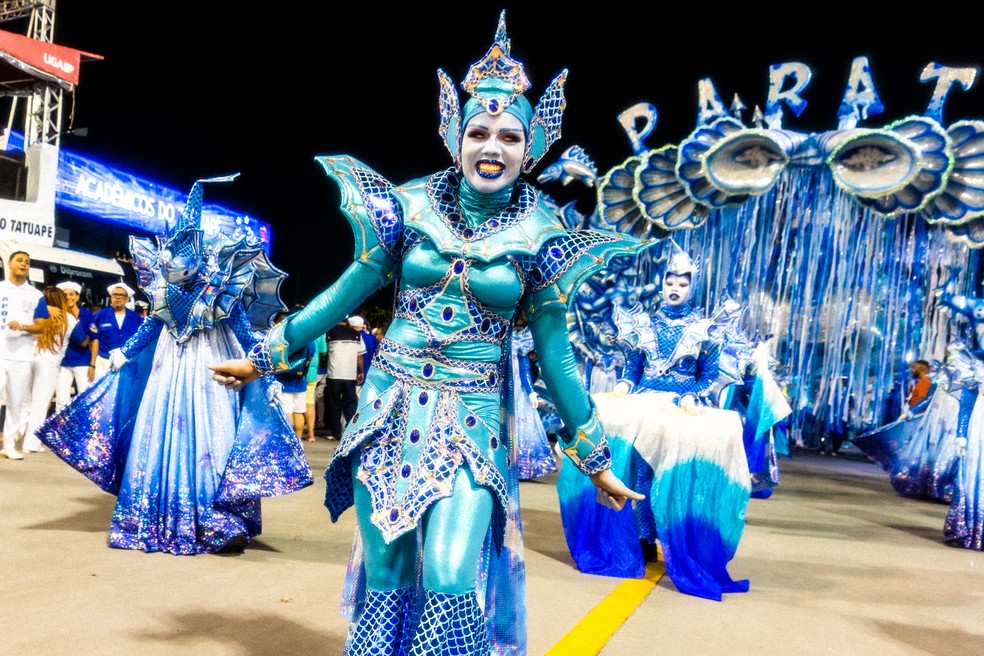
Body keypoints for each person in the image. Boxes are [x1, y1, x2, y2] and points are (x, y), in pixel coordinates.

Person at [210, 12, 647, 653]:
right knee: (385, 574)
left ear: (531, 150)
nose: (491, 147)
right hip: (388, 409)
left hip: (473, 418)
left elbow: (557, 359)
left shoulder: (547, 237)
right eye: (478, 131)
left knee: (448, 576)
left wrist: (594, 454)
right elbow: (344, 293)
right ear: (454, 136)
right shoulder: (405, 207)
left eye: (508, 136)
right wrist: (270, 350)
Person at [38, 176, 313, 555]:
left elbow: (247, 335)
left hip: (211, 373)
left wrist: (267, 367)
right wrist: (125, 352)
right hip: (167, 374)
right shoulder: (164, 290)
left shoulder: (221, 287)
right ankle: (159, 512)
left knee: (214, 437)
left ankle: (216, 515)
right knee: (162, 432)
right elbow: (152, 324)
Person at [557, 244, 752, 601]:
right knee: (638, 471)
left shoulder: (704, 329)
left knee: (675, 474)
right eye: (669, 282)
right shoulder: (642, 324)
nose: (675, 288)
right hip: (644, 404)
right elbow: (633, 368)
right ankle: (643, 538)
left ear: (692, 288)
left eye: (682, 283)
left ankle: (672, 534)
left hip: (681, 407)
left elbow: (708, 376)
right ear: (661, 284)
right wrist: (623, 384)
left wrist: (692, 394)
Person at [0, 250, 52, 460]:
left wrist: (21, 326)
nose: (24, 264)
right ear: (10, 264)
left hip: (21, 355)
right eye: (19, 260)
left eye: (27, 262)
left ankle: (9, 445)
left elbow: (41, 327)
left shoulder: (35, 295)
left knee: (16, 401)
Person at [22, 286, 76, 453]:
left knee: (25, 401)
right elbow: (81, 339)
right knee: (40, 402)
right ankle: (30, 443)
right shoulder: (69, 318)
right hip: (50, 361)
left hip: (29, 355)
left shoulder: (33, 314)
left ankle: (16, 436)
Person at [273, 311, 316, 441]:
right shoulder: (308, 338)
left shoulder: (282, 338)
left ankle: (289, 440)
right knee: (299, 411)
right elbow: (311, 354)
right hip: (301, 380)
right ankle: (298, 440)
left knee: (287, 411)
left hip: (284, 381)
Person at [54, 281, 96, 410]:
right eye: (65, 295)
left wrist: (92, 364)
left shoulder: (87, 315)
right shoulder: (58, 315)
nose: (68, 297)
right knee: (61, 399)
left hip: (82, 361)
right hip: (62, 362)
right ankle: (60, 428)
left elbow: (94, 340)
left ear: (78, 297)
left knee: (86, 397)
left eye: (72, 294)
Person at [323, 317, 365, 439]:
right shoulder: (356, 335)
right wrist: (360, 371)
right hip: (350, 375)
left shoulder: (330, 333)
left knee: (334, 404)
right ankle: (350, 431)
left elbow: (325, 353)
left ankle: (336, 432)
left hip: (333, 374)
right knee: (350, 403)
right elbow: (360, 356)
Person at [90, 282, 141, 378]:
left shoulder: (136, 318)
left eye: (121, 295)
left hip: (127, 362)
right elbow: (92, 339)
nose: (117, 297)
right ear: (110, 297)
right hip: (103, 361)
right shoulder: (100, 315)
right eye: (115, 294)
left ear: (127, 299)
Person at [305, 329, 328, 441]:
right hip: (312, 371)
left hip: (295, 372)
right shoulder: (319, 332)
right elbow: (323, 351)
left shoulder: (297, 330)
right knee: (310, 402)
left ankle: (295, 432)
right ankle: (311, 433)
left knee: (293, 403)